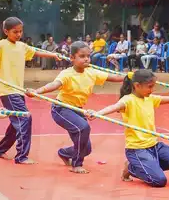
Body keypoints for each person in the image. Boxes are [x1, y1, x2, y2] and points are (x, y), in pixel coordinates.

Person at [0, 16, 58, 165]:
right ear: (6, 31)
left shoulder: (22, 46)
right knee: (25, 118)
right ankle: (21, 156)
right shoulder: (1, 45)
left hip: (18, 90)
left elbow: (36, 52)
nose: (18, 34)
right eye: (15, 31)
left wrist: (53, 55)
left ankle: (0, 150)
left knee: (15, 122)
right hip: (8, 91)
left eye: (20, 31)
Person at [94, 69, 169, 187]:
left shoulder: (150, 98)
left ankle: (143, 166)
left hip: (154, 145)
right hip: (137, 149)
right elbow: (114, 106)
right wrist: (97, 113)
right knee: (159, 181)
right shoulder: (128, 100)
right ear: (137, 85)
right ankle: (132, 167)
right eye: (149, 87)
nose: (152, 90)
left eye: (153, 87)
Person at [32, 41, 124, 174]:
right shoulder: (67, 74)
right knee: (83, 128)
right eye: (82, 56)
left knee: (86, 149)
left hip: (78, 109)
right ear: (72, 58)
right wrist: (37, 91)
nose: (86, 59)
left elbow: (114, 77)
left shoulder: (92, 72)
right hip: (61, 109)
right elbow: (55, 84)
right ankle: (77, 164)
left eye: (88, 56)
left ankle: (63, 153)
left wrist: (130, 77)